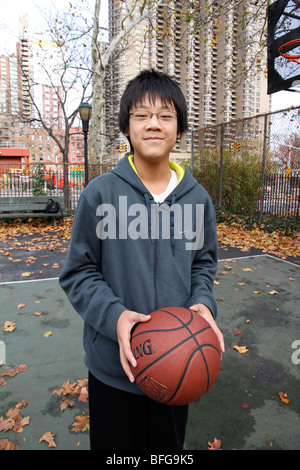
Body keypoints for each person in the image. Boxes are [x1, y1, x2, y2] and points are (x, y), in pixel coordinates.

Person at [59, 69, 224, 451]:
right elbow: (79, 272)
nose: (154, 124)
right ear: (126, 127)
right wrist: (114, 316)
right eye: (142, 114)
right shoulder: (99, 195)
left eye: (165, 115)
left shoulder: (197, 200)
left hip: (179, 361)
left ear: (178, 129)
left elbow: (203, 264)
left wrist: (203, 302)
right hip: (114, 368)